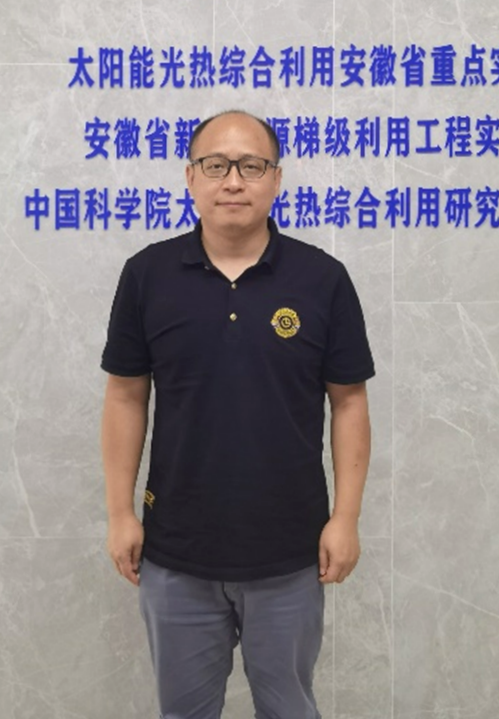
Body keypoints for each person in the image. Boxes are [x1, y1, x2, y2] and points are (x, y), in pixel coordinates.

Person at [100, 110, 374, 719]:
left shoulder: (322, 279)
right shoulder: (147, 276)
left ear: (276, 179)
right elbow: (125, 397)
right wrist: (120, 514)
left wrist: (345, 517)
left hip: (290, 550)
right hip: (176, 550)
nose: (232, 181)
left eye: (251, 166)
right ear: (190, 178)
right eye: (216, 165)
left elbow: (349, 401)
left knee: (289, 708)